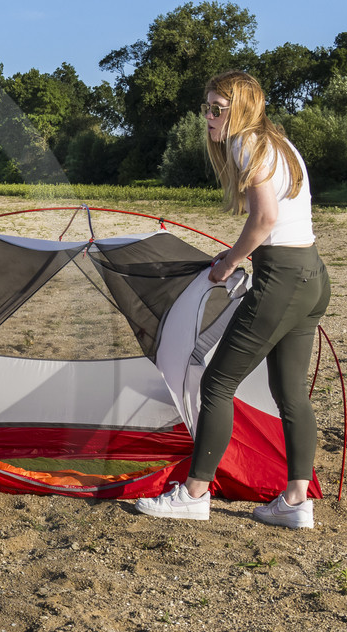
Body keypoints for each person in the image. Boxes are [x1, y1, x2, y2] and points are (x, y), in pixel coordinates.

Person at [135, 70, 331, 529]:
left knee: (218, 383)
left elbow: (265, 218)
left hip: (281, 277)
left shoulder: (247, 143)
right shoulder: (280, 144)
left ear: (240, 109)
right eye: (206, 107)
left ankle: (194, 493)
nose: (208, 116)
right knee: (289, 392)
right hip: (312, 275)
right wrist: (241, 253)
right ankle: (297, 502)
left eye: (217, 108)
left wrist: (229, 261)